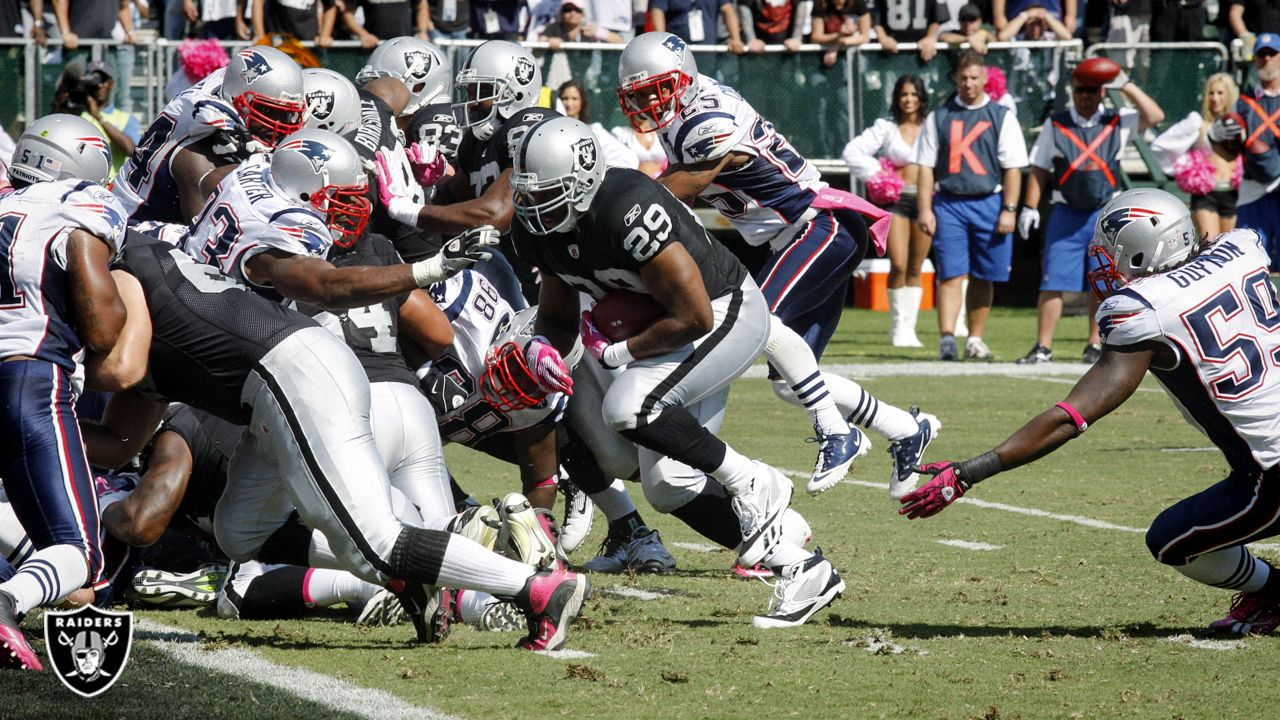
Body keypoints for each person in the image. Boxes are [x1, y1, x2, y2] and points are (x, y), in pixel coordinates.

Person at [901, 188, 1280, 637]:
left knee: (1171, 541)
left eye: (1113, 251)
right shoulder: (1242, 249)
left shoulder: (1144, 309)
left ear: (1143, 248)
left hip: (1270, 473)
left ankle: (1274, 590)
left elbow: (1071, 416)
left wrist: (970, 472)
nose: (1105, 263)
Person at [512, 116, 843, 627]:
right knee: (666, 484)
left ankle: (754, 480)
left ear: (583, 179)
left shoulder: (627, 207)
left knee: (629, 406)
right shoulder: (539, 227)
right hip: (664, 333)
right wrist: (541, 351)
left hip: (724, 311)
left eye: (549, 193)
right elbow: (556, 316)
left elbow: (694, 315)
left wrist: (621, 354)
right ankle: (801, 566)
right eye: (529, 195)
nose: (536, 208)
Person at [618, 31, 941, 499]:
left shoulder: (705, 117)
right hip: (796, 235)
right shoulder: (684, 114)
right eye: (639, 95)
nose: (649, 102)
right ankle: (906, 429)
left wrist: (613, 202)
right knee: (789, 381)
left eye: (656, 90)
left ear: (683, 77)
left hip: (819, 225)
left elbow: (675, 190)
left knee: (758, 325)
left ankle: (837, 431)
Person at [0, 115, 129, 672]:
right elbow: (102, 328)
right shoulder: (76, 208)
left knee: (76, 582)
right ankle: (5, 603)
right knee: (81, 554)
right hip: (32, 382)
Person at [1016, 62, 1164, 366]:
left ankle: (1095, 343)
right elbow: (1040, 167)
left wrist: (1124, 83)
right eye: (1080, 90)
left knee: (1104, 280)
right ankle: (1043, 345)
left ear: (1101, 92)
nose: (1086, 96)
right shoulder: (1056, 124)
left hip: (1106, 214)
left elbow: (1155, 116)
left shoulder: (1117, 122)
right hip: (1066, 210)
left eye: (1092, 90)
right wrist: (1029, 207)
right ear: (1073, 92)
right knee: (1052, 281)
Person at [914, 50, 1028, 361]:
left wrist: (1009, 209)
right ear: (955, 79)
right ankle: (947, 339)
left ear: (985, 78)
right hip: (949, 202)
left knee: (984, 275)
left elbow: (1014, 167)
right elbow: (925, 166)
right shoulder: (939, 116)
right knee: (950, 273)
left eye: (974, 77)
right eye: (963, 78)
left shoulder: (1001, 116)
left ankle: (975, 338)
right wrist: (925, 208)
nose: (968, 83)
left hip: (989, 201)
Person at [114, 45, 307, 226]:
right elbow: (203, 244)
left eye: (287, 113)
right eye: (267, 110)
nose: (279, 122)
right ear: (236, 100)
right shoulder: (197, 151)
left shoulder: (226, 83)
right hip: (136, 227)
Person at [842, 74, 930, 348]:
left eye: (914, 94)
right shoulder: (887, 127)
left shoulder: (933, 126)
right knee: (900, 263)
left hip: (927, 200)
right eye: (904, 94)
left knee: (917, 266)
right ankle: (898, 326)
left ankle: (910, 328)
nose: (909, 100)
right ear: (897, 99)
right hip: (897, 201)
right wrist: (880, 176)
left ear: (921, 98)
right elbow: (852, 151)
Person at [1151, 73, 1243, 242]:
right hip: (1206, 195)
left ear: (1229, 95)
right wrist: (1186, 167)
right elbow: (1160, 145)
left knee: (1231, 248)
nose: (1215, 98)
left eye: (1220, 93)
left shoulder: (1239, 123)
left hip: (1234, 194)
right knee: (1211, 247)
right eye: (1211, 93)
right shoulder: (1197, 123)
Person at [1233, 32, 1280, 269]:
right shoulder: (1242, 101)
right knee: (1249, 261)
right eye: (1262, 54)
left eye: (1272, 54)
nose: (1267, 59)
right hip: (1251, 190)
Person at [55, 60, 140, 180]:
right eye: (95, 81)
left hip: (107, 188)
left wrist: (98, 116)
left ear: (112, 84)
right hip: (74, 183)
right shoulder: (76, 112)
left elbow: (131, 150)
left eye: (104, 81)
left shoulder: (126, 119)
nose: (100, 85)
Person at [557, 80, 638, 169]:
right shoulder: (554, 133)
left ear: (582, 101)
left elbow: (629, 158)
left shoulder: (594, 131)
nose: (569, 103)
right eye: (565, 98)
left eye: (574, 98)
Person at [866, 0, 946, 62]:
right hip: (888, 55)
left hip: (921, 52)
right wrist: (883, 37)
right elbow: (873, 14)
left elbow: (937, 15)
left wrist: (930, 36)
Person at [809, 0, 872, 67]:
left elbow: (865, 37)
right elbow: (816, 37)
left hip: (855, 58)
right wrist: (839, 35)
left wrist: (838, 43)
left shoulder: (859, 3)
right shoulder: (820, 4)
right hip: (825, 58)